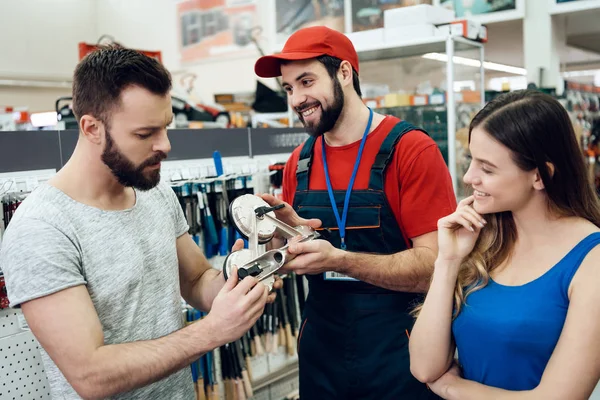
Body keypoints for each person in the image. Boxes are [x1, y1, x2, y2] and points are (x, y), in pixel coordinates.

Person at [0, 46, 278, 400]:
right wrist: (213, 330)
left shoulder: (154, 190)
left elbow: (195, 280)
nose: (165, 145)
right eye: (145, 134)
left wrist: (240, 279)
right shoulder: (42, 228)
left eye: (165, 127)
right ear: (91, 128)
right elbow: (91, 375)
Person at [253, 25, 456, 399]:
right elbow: (302, 250)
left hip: (401, 352)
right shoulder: (299, 162)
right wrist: (284, 239)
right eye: (288, 88)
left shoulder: (411, 151)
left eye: (306, 81)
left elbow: (435, 268)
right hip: (321, 354)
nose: (297, 98)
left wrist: (341, 260)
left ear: (344, 73)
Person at [409, 90, 600, 399]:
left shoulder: (591, 261)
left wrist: (452, 388)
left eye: (487, 168)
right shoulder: (484, 240)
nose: (470, 177)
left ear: (540, 176)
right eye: (471, 160)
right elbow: (423, 367)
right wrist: (448, 260)